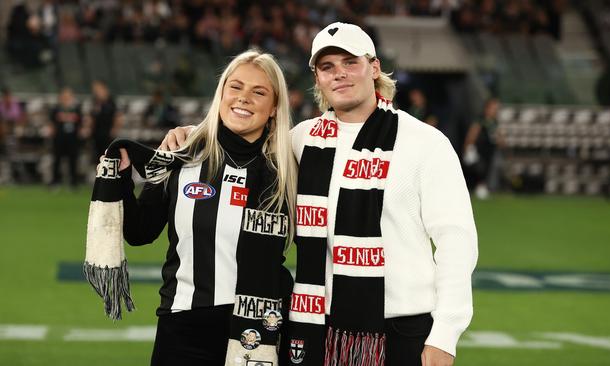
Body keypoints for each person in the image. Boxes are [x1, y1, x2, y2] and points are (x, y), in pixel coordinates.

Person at [162, 22, 478, 366]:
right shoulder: (299, 141)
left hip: (400, 333)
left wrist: (445, 333)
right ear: (317, 79)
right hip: (312, 330)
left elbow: (456, 242)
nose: (339, 74)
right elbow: (240, 140)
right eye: (327, 67)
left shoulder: (424, 143)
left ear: (374, 68)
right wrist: (192, 134)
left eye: (349, 63)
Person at [113, 50, 297, 365]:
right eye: (235, 87)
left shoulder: (289, 171)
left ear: (274, 108)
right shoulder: (180, 153)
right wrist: (121, 180)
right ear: (221, 93)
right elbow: (139, 231)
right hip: (184, 330)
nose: (244, 98)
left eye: (259, 92)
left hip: (259, 333)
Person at [463, 97, 504, 199]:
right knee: (478, 169)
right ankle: (476, 188)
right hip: (479, 151)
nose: (495, 111)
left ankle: (484, 188)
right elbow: (472, 135)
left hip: (490, 152)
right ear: (487, 108)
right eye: (493, 108)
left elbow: (500, 138)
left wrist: (500, 140)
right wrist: (468, 148)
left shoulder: (494, 122)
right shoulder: (480, 120)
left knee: (488, 169)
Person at [49, 87, 82, 187]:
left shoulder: (76, 108)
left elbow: (80, 121)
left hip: (72, 138)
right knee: (57, 159)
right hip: (59, 137)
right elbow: (52, 122)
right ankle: (56, 181)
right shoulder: (56, 108)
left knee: (73, 160)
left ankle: (73, 182)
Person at [89, 80, 121, 163]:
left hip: (107, 132)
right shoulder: (95, 101)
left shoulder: (111, 101)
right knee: (97, 155)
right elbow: (92, 117)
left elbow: (117, 116)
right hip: (96, 132)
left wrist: (115, 128)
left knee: (107, 154)